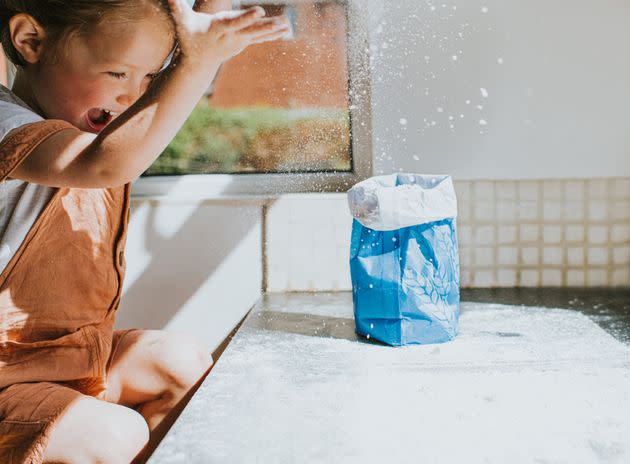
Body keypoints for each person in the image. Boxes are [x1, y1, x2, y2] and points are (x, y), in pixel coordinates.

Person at [0, 0, 289, 462]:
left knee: (181, 365)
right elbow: (103, 163)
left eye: (151, 79)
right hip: (7, 383)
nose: (134, 97)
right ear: (30, 41)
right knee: (113, 436)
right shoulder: (7, 123)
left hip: (71, 363)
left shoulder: (100, 123)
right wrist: (201, 58)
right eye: (118, 75)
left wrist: (205, 31)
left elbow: (168, 88)